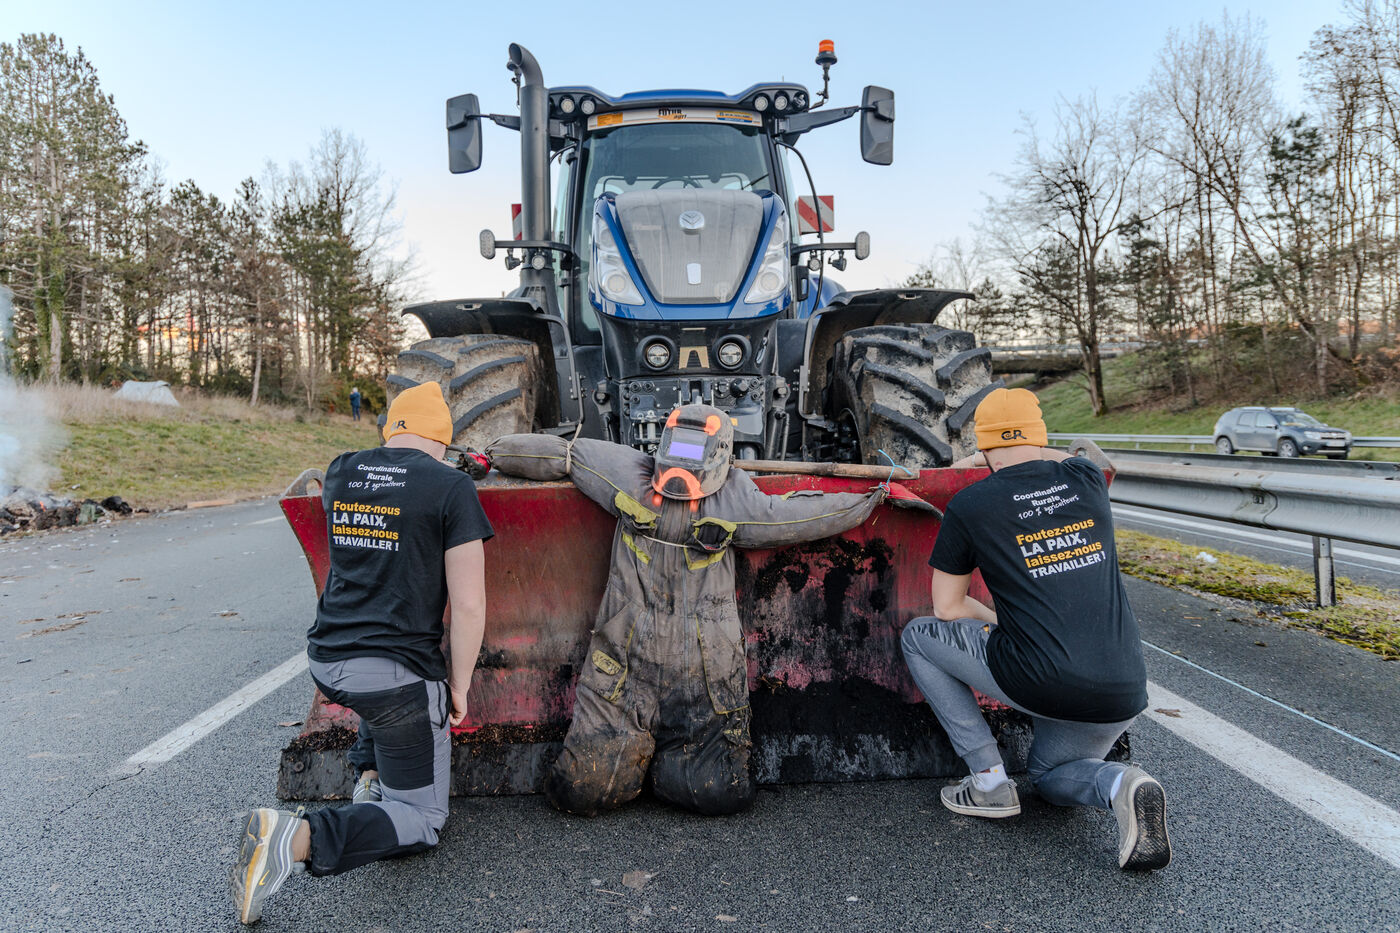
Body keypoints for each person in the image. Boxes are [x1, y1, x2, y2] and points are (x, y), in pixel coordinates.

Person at [484, 403, 918, 817]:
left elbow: (799, 516)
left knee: (716, 792)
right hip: (622, 670)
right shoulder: (635, 476)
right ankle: (643, 758)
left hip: (701, 678)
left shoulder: (715, 495)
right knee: (579, 790)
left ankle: (658, 762)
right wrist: (490, 457)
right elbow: (564, 456)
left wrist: (872, 499)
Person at [230, 382, 493, 923]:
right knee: (422, 819)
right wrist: (460, 686)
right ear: (443, 441)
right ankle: (293, 838)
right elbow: (468, 606)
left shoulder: (343, 469)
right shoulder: (451, 487)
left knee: (384, 694)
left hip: (328, 661)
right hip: (394, 679)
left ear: (391, 429)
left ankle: (371, 778)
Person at [899, 387, 1171, 871]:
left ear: (984, 445)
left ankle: (988, 781)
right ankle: (1122, 784)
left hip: (1040, 679)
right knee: (1050, 777)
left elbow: (947, 607)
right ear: (1041, 437)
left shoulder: (971, 503)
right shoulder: (1086, 479)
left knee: (918, 636)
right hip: (1123, 689)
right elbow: (1065, 456)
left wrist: (1001, 621)